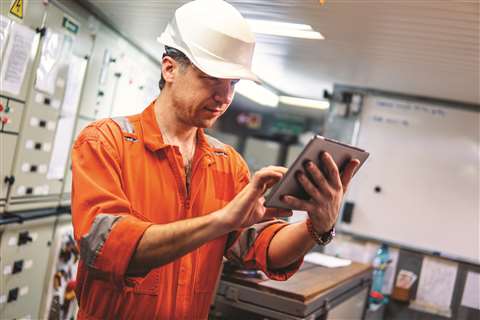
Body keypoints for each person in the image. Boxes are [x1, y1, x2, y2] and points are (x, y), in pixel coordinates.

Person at [71, 0, 360, 319]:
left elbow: (260, 246)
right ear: (170, 68)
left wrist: (316, 227)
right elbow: (107, 247)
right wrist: (223, 219)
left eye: (233, 83)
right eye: (212, 77)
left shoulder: (227, 164)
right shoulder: (106, 141)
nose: (225, 96)